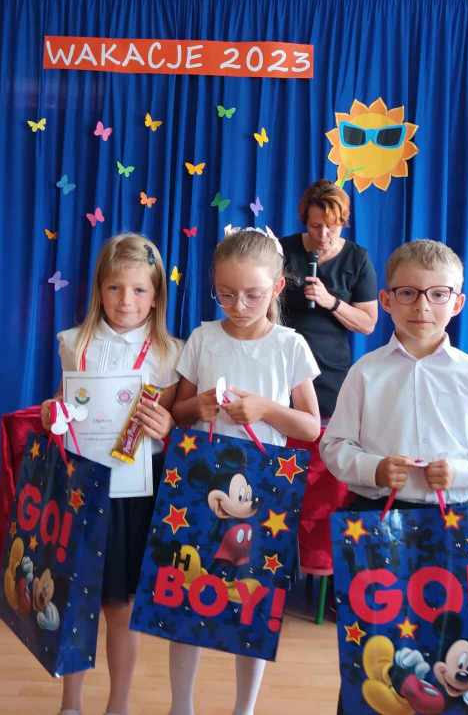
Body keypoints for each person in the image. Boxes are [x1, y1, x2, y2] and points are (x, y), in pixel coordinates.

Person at [320, 239, 468, 714]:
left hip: (453, 526)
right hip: (376, 522)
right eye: (407, 293)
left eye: (437, 294)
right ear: (386, 300)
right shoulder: (366, 372)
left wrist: (460, 471)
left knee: (450, 640)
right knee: (373, 645)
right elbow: (334, 447)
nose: (422, 307)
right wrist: (373, 467)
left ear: (458, 302)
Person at [170, 226, 322, 715]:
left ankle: (244, 708)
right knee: (187, 594)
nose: (238, 305)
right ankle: (181, 705)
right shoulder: (202, 338)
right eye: (226, 294)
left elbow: (311, 426)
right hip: (200, 484)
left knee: (252, 602)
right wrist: (198, 406)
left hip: (263, 489)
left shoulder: (290, 345)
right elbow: (177, 413)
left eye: (253, 294)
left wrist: (266, 410)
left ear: (277, 287)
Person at [39, 233, 182, 715]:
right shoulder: (73, 343)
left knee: (121, 605)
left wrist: (168, 423)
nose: (126, 300)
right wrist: (52, 412)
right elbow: (63, 406)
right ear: (99, 289)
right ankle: (71, 704)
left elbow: (171, 422)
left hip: (134, 493)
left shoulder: (171, 353)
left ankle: (118, 704)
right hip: (81, 488)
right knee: (74, 600)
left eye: (140, 290)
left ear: (156, 296)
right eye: (115, 288)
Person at [280, 180, 378, 419]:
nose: (323, 235)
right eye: (315, 226)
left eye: (332, 227)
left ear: (343, 222)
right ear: (305, 222)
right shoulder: (283, 249)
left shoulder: (357, 258)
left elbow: (368, 324)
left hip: (330, 373)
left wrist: (330, 301)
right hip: (283, 365)